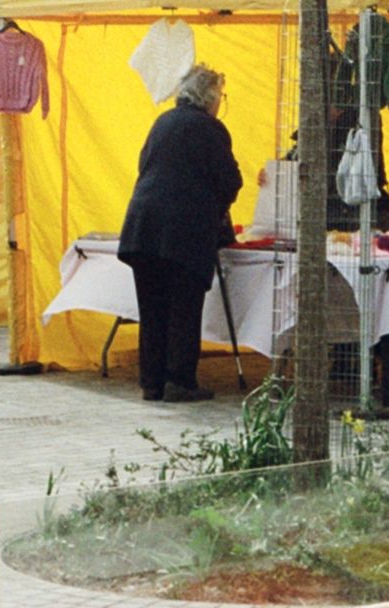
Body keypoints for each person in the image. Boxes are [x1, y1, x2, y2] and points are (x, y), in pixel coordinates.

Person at [118, 64, 242, 403]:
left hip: (143, 227)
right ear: (211, 97)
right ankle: (179, 381)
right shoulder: (211, 129)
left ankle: (152, 382)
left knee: (153, 308)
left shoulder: (162, 122)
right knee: (183, 308)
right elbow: (230, 180)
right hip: (184, 231)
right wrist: (217, 208)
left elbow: (145, 166)